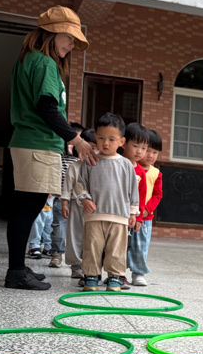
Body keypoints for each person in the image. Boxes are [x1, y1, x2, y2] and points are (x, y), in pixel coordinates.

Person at [5, 6, 96, 291]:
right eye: (69, 37)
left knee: (25, 207)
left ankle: (18, 267)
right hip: (38, 144)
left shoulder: (28, 59)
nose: (71, 45)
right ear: (51, 33)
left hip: (28, 142)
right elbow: (47, 108)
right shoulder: (44, 63)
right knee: (27, 208)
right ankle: (16, 272)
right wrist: (76, 140)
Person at [77, 113, 139, 292]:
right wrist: (85, 199)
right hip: (94, 215)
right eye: (101, 138)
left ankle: (114, 277)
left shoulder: (126, 164)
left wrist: (133, 212)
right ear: (95, 137)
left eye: (111, 139)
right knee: (92, 246)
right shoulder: (90, 161)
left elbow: (132, 190)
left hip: (119, 215)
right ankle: (91, 275)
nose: (105, 143)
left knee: (116, 249)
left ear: (121, 141)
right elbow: (81, 183)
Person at [129, 127, 163, 286]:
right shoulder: (130, 167)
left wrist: (147, 210)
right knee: (122, 245)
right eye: (147, 150)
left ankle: (138, 273)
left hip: (145, 217)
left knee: (141, 246)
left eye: (155, 152)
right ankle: (118, 273)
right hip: (127, 214)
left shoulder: (156, 173)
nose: (150, 155)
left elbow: (157, 194)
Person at [62, 127, 96, 281]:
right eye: (89, 147)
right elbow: (67, 187)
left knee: (92, 236)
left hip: (95, 208)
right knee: (75, 235)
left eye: (95, 148)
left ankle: (90, 264)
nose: (92, 151)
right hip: (76, 206)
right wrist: (64, 204)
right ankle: (76, 264)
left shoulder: (99, 166)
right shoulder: (74, 166)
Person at [48, 122, 83, 269]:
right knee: (59, 227)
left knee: (77, 230)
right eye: (70, 141)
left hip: (78, 200)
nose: (73, 145)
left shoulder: (81, 161)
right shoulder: (59, 157)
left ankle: (77, 261)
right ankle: (57, 253)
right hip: (60, 197)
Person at [122, 122, 149, 288]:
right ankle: (111, 273)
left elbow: (142, 195)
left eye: (144, 148)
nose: (140, 151)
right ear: (123, 143)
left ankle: (133, 273)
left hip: (131, 216)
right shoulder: (115, 163)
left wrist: (139, 217)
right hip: (113, 212)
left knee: (131, 245)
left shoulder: (140, 172)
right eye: (136, 146)